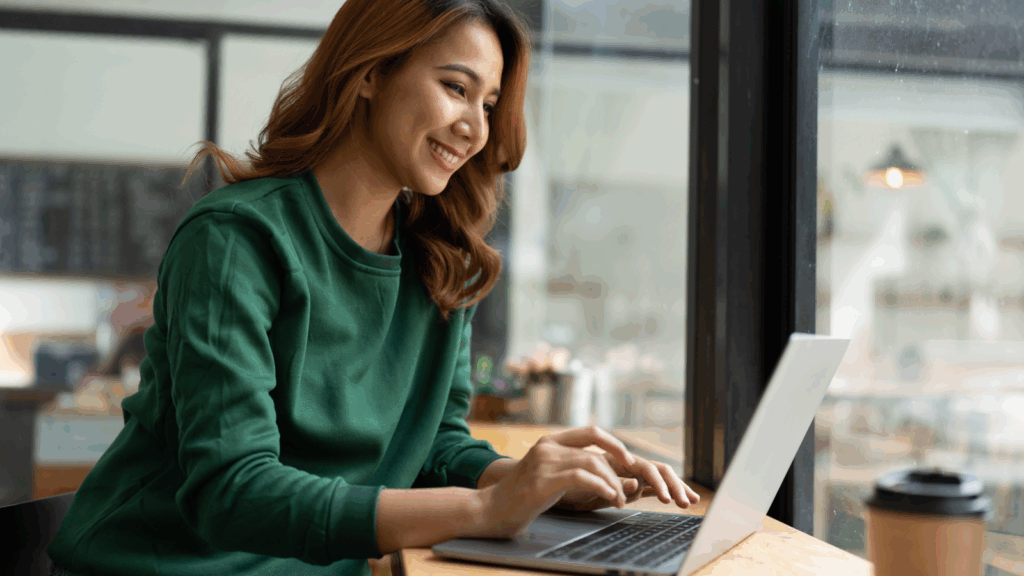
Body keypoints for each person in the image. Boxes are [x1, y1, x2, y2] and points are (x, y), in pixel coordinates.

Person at [47, 0, 699, 575]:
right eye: (455, 87)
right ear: (368, 73)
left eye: (489, 104)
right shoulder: (235, 241)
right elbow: (233, 493)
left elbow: (432, 446)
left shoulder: (441, 261)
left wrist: (531, 482)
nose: (476, 127)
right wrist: (487, 507)